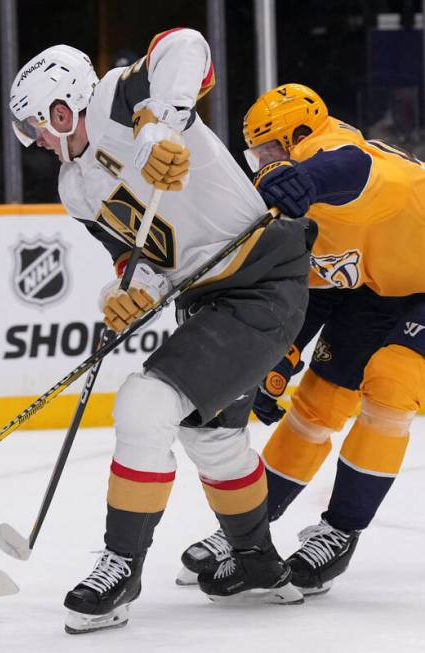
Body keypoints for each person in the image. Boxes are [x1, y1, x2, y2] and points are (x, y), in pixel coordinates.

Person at [9, 30, 315, 634]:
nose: (37, 139)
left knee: (146, 404)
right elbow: (137, 255)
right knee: (212, 441)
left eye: (38, 124)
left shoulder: (115, 101)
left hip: (261, 278)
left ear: (63, 106)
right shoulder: (76, 187)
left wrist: (160, 127)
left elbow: (187, 44)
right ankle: (256, 562)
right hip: (206, 295)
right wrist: (129, 293)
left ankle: (121, 567)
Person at [179, 83, 425, 595]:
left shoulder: (342, 157)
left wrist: (298, 176)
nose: (260, 163)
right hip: (378, 288)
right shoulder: (303, 207)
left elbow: (347, 166)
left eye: (267, 149)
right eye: (256, 155)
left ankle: (339, 530)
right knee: (314, 405)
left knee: (390, 387)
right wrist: (283, 355)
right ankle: (248, 529)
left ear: (298, 136)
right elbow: (318, 290)